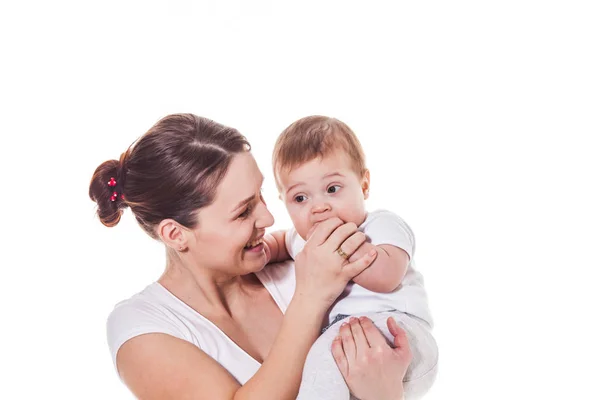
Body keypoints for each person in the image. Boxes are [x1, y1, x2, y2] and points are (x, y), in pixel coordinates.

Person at [89, 113, 413, 400]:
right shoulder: (142, 327)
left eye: (261, 195)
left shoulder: (306, 264)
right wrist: (311, 297)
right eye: (244, 211)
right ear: (176, 234)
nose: (269, 219)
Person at [265, 116, 438, 399]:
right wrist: (264, 250)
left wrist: (342, 246)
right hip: (353, 349)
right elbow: (278, 243)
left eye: (332, 190)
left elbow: (386, 277)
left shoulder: (382, 226)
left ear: (364, 185)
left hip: (401, 335)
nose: (319, 207)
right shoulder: (302, 240)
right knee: (323, 358)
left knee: (324, 355)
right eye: (300, 199)